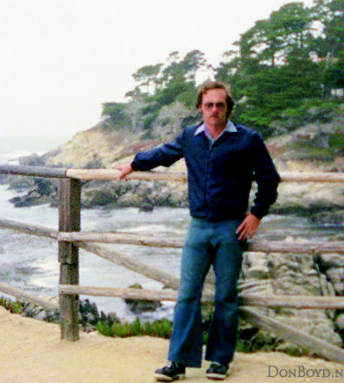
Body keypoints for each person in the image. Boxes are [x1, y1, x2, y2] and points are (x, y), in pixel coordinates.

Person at [116, 81, 280, 381]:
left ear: (227, 107)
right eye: (208, 105)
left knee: (226, 296)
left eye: (219, 105)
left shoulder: (248, 139)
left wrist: (256, 214)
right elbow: (163, 154)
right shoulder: (190, 138)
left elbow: (270, 180)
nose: (214, 110)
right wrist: (133, 163)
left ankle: (219, 361)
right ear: (200, 108)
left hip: (232, 229)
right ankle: (178, 362)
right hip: (198, 228)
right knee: (187, 294)